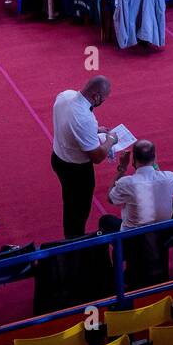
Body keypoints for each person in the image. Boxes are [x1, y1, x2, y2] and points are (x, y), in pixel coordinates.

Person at [51, 77, 121, 238]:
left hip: (58, 156)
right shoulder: (84, 118)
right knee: (77, 209)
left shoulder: (65, 96)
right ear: (96, 96)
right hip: (76, 170)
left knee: (69, 201)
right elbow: (97, 156)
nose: (103, 100)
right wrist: (111, 140)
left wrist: (95, 130)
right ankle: (74, 241)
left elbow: (68, 122)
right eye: (104, 98)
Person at [100, 140, 173, 233]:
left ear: (133, 160)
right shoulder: (170, 177)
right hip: (163, 232)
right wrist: (155, 165)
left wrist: (122, 168)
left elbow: (110, 198)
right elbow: (159, 176)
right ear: (154, 157)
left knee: (105, 220)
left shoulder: (126, 183)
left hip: (133, 237)